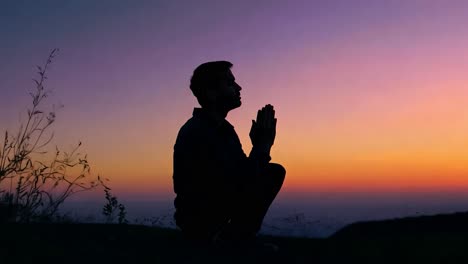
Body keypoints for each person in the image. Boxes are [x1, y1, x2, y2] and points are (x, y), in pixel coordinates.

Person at [172, 61, 286, 244]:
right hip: (202, 219)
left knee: (272, 172)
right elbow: (241, 181)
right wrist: (261, 147)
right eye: (230, 83)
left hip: (215, 208)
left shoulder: (223, 130)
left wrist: (260, 146)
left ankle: (236, 238)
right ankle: (230, 241)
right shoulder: (199, 132)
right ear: (211, 93)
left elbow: (242, 174)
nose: (238, 87)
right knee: (273, 174)